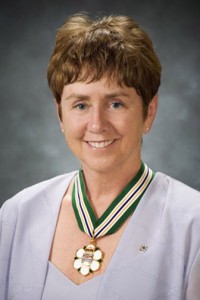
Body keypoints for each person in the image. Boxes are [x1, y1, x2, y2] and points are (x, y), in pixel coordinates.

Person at [0, 13, 200, 300]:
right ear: (60, 115)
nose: (97, 124)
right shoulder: (17, 214)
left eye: (116, 103)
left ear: (149, 112)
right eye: (80, 105)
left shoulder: (194, 224)